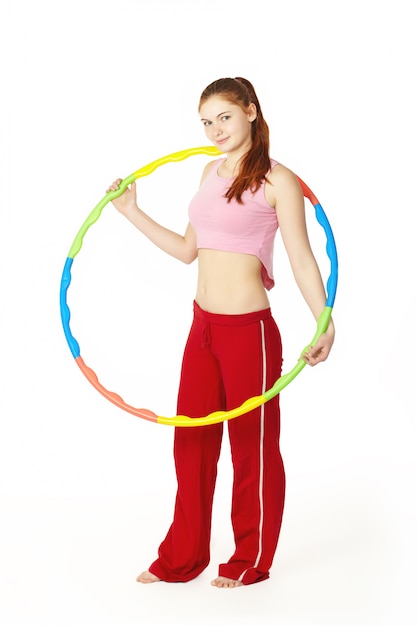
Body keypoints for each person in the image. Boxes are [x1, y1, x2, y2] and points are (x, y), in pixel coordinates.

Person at [106, 77, 335, 588]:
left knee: (251, 449)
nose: (214, 130)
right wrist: (132, 212)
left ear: (251, 112)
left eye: (224, 117)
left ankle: (249, 560)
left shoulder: (280, 181)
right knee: (191, 442)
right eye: (206, 122)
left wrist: (325, 320)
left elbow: (301, 258)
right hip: (202, 327)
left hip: (247, 332)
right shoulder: (209, 172)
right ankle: (183, 557)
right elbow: (190, 250)